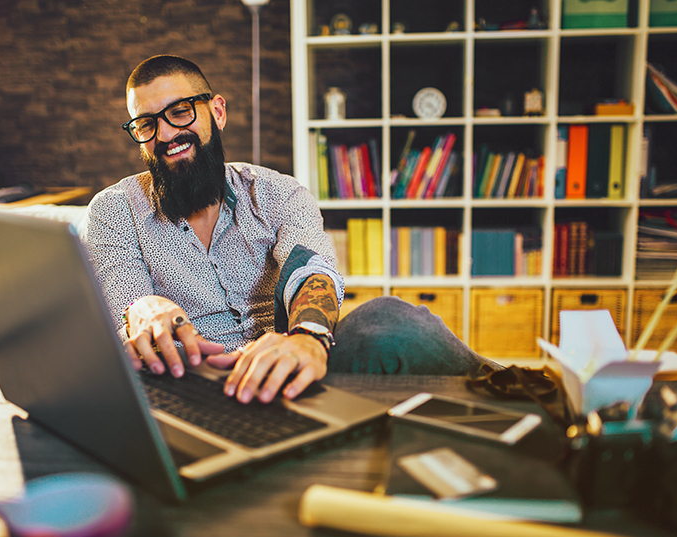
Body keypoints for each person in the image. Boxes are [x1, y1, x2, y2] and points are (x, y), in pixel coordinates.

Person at [80, 55, 498, 406]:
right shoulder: (112, 211)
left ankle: (530, 394)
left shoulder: (278, 192)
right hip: (185, 387)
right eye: (147, 124)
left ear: (217, 112)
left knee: (388, 320)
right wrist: (142, 309)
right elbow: (127, 306)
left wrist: (308, 337)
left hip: (291, 371)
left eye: (180, 112)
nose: (167, 134)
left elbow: (311, 269)